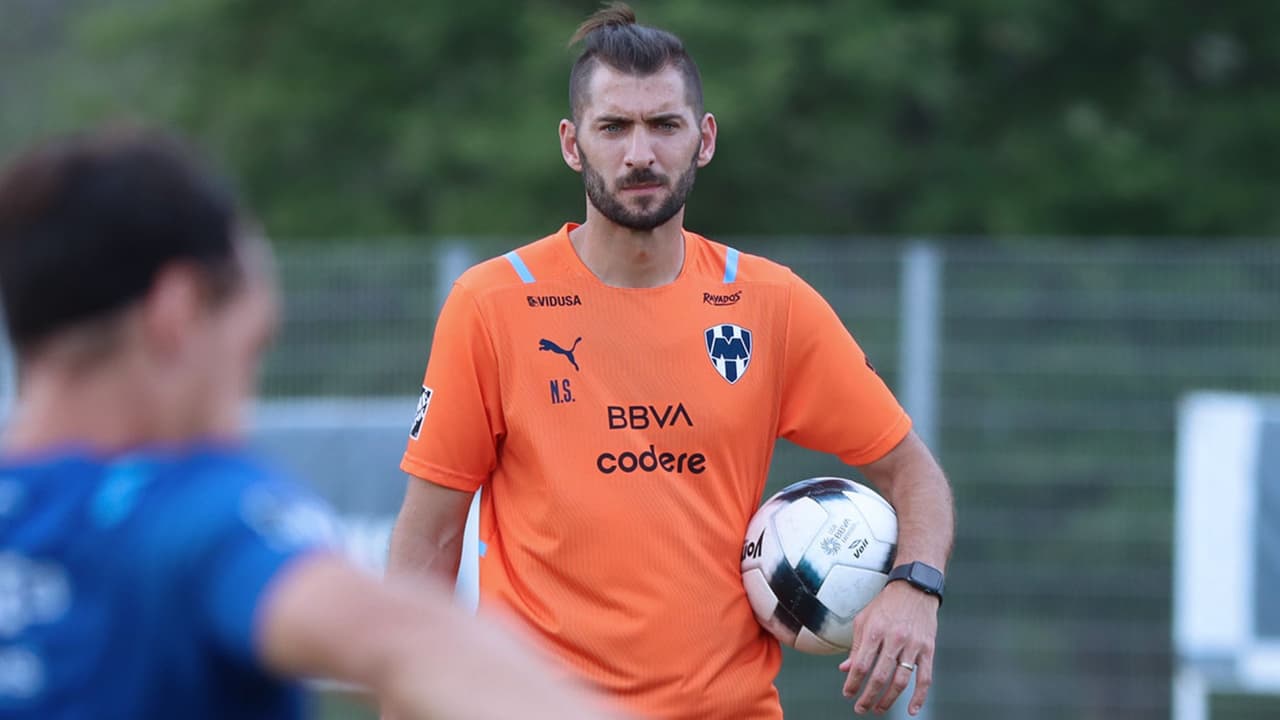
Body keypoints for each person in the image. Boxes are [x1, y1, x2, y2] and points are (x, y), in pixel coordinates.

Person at [389, 4, 955, 718]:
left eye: (664, 125)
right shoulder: (493, 305)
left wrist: (916, 587)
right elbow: (429, 539)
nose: (640, 154)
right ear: (571, 143)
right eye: (613, 127)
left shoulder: (769, 304)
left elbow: (913, 471)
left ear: (705, 138)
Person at [0, 128, 629, 720]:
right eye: (249, 350)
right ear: (178, 310)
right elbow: (405, 637)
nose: (239, 406)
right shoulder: (190, 511)